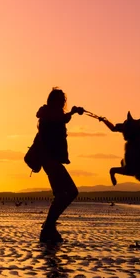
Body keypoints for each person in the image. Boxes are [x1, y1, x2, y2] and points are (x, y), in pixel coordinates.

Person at [36, 87, 84, 243]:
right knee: (71, 191)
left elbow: (62, 118)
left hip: (50, 160)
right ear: (53, 100)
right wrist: (73, 112)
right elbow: (61, 119)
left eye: (64, 100)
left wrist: (72, 113)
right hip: (50, 160)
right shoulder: (49, 113)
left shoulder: (50, 113)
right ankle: (49, 225)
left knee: (61, 194)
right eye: (61, 100)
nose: (63, 102)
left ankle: (49, 227)